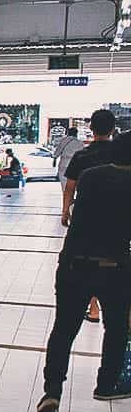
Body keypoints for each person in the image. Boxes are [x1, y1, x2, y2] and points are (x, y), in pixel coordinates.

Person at [37, 132, 131, 412]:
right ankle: (106, 385)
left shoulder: (90, 176)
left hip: (73, 264)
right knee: (115, 329)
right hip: (114, 268)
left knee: (63, 330)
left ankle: (52, 392)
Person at [63, 109, 117, 323]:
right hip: (116, 216)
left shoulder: (82, 155)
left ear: (91, 129)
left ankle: (93, 308)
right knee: (114, 258)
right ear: (113, 129)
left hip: (85, 216)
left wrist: (65, 211)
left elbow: (69, 187)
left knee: (87, 258)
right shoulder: (119, 154)